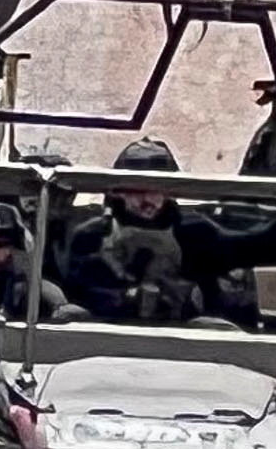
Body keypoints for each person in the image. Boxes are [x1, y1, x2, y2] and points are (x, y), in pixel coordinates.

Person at [54, 135, 215, 323]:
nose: (147, 200)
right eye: (136, 190)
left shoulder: (195, 234)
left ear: (168, 191)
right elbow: (77, 294)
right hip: (105, 334)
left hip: (180, 338)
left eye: (155, 189)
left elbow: (216, 299)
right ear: (119, 191)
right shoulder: (91, 235)